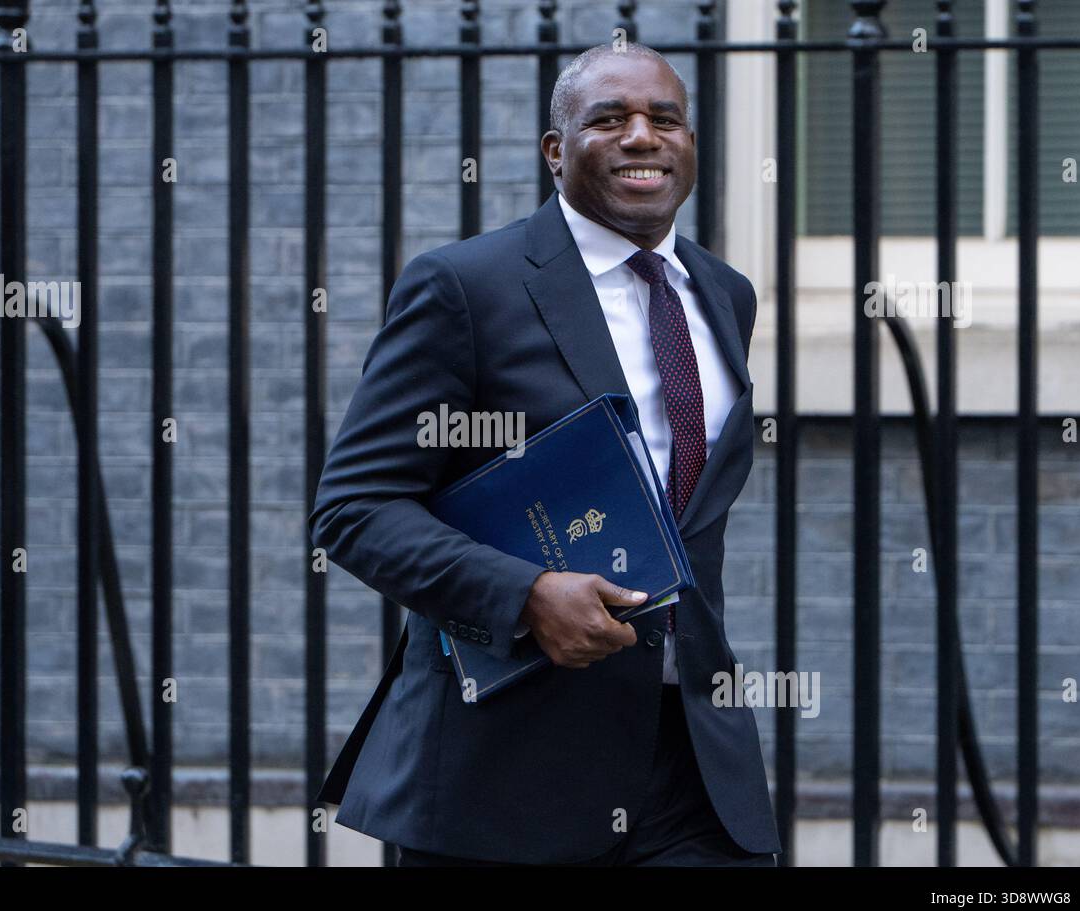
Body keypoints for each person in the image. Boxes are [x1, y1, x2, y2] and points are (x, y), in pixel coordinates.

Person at [308, 41, 781, 866]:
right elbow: (355, 509)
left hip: (691, 760)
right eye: (610, 119)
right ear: (555, 151)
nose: (643, 136)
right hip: (509, 772)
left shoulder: (723, 294)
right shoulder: (466, 286)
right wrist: (526, 595)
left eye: (664, 119)